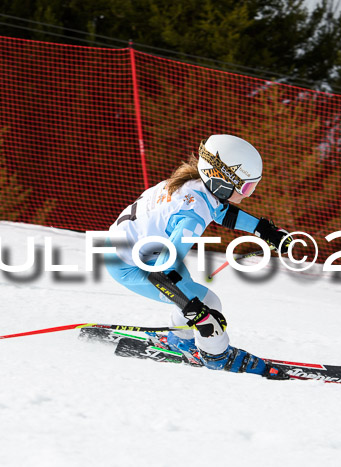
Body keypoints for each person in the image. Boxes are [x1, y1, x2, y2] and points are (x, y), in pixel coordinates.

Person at [105, 134, 292, 378]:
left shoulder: (195, 186)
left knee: (188, 290)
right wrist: (198, 314)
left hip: (131, 250)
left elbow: (221, 212)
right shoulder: (190, 217)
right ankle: (216, 356)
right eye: (246, 187)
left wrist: (264, 229)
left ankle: (179, 340)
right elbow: (161, 275)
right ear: (222, 182)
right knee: (209, 304)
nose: (248, 194)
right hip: (129, 265)